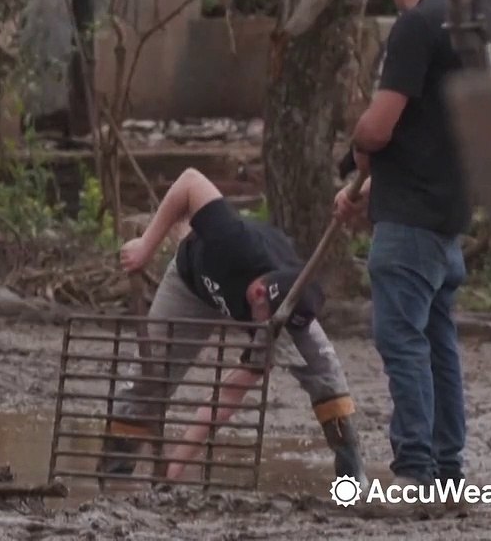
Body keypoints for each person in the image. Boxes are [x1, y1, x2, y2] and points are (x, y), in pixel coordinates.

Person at [98, 166, 368, 487]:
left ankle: (352, 474)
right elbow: (190, 180)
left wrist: (172, 471)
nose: (263, 329)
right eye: (264, 321)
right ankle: (114, 473)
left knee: (324, 369)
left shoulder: (286, 312)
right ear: (257, 293)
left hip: (234, 280)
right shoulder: (233, 240)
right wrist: (146, 245)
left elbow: (227, 396)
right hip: (191, 282)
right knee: (149, 376)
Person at [335, 0, 473, 487]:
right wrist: (366, 184)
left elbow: (379, 127)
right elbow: (430, 129)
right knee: (439, 344)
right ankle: (448, 468)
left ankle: (415, 468)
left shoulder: (416, 25)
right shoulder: (468, 23)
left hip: (409, 221)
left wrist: (357, 152)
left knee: (402, 342)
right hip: (447, 216)